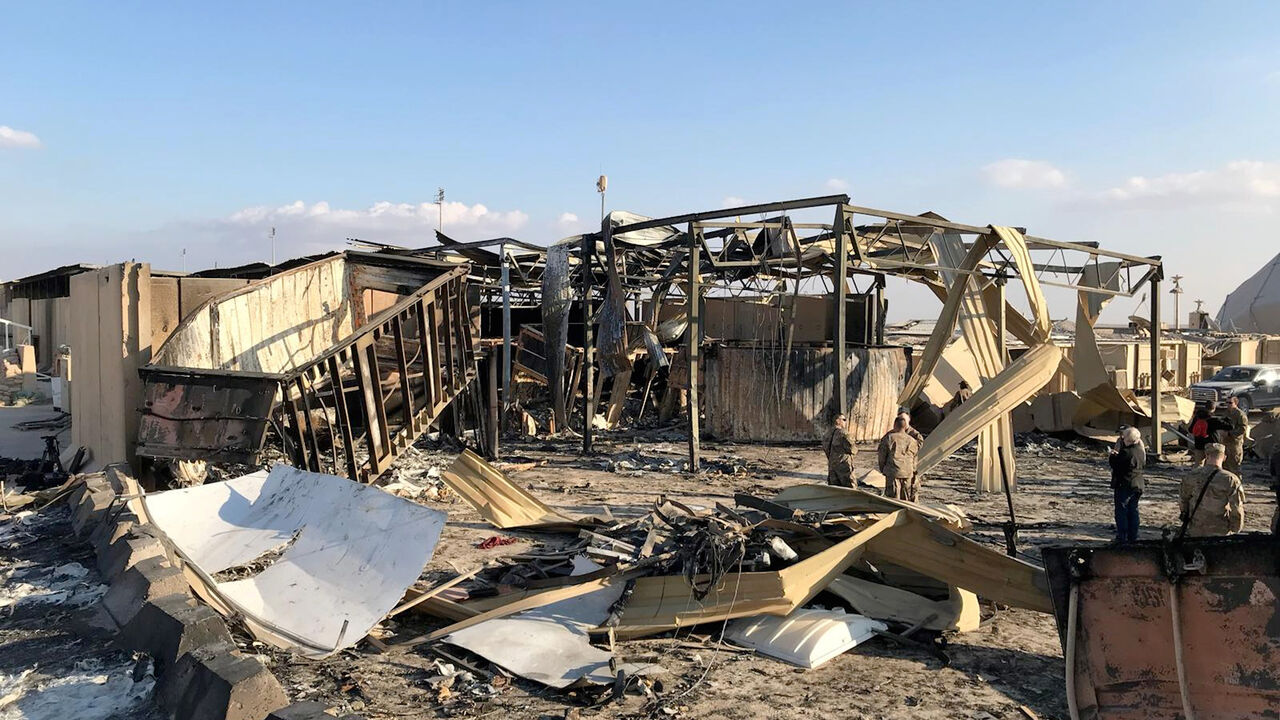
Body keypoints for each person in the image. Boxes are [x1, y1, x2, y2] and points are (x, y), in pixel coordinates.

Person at [1179, 442, 1246, 537]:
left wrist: (1188, 518)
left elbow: (1183, 501)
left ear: (1206, 456)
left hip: (1196, 528)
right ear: (1224, 457)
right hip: (1220, 529)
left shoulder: (1192, 475)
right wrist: (1235, 528)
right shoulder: (1230, 479)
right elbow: (1236, 507)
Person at [1108, 426, 1146, 542]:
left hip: (1125, 484)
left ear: (1128, 440)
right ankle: (1133, 536)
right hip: (1138, 484)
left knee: (1122, 511)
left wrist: (1113, 456)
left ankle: (1122, 537)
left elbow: (1116, 465)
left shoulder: (1126, 452)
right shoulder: (1141, 451)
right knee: (1133, 510)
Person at [878, 416, 921, 501]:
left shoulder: (889, 438)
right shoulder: (912, 441)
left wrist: (883, 469)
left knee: (892, 499)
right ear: (905, 427)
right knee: (905, 499)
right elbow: (915, 458)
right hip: (908, 473)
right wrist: (913, 471)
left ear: (895, 425)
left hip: (893, 472)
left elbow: (882, 456)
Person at [823, 412, 856, 488]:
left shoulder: (827, 434)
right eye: (844, 419)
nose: (845, 422)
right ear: (838, 421)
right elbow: (852, 449)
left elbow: (825, 448)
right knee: (850, 488)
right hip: (844, 465)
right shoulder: (843, 433)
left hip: (832, 465)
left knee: (834, 490)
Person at [1221, 396, 1250, 475]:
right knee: (1225, 466)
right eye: (1226, 403)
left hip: (1235, 444)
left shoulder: (1240, 414)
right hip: (1225, 442)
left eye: (1230, 403)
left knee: (1235, 466)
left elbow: (1243, 429)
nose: (1228, 405)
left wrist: (1230, 433)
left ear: (1235, 403)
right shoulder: (1226, 413)